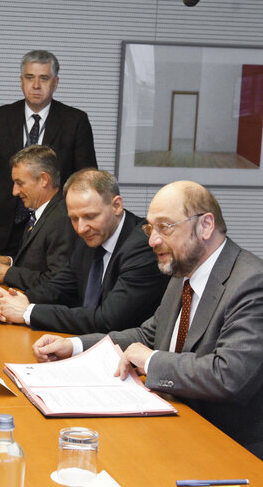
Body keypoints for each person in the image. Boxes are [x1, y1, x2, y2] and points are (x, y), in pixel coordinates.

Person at [32, 181, 263, 459]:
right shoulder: (185, 271)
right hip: (175, 424)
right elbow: (149, 335)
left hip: (228, 446)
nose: (153, 240)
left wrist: (151, 361)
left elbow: (229, 376)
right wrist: (74, 346)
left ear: (205, 226)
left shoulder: (251, 282)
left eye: (165, 227)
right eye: (150, 228)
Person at [0, 169, 169, 335]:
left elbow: (109, 320)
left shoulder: (143, 246)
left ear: (116, 206)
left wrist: (28, 312)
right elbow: (61, 287)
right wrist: (14, 300)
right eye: (74, 218)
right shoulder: (92, 236)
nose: (81, 228)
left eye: (90, 216)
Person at [0, 50, 97, 257]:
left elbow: (86, 179)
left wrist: (85, 222)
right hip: (3, 227)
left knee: (41, 284)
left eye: (44, 78)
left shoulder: (75, 121)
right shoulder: (2, 117)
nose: (36, 85)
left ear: (55, 83)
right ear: (21, 81)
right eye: (30, 78)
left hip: (54, 228)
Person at [0, 146, 76, 290]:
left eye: (20, 183)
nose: (14, 191)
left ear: (44, 179)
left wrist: (7, 273)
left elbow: (56, 283)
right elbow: (36, 265)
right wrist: (8, 262)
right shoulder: (42, 213)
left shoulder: (62, 220)